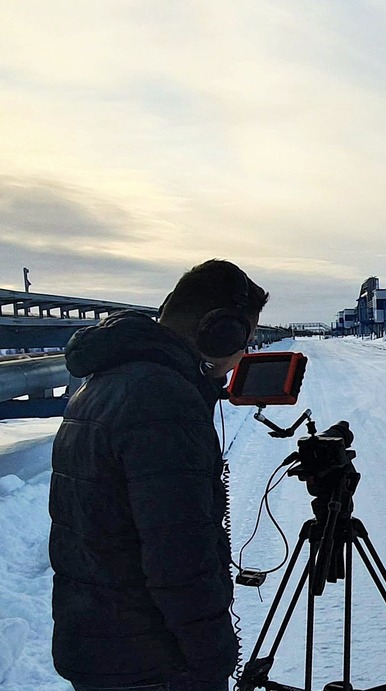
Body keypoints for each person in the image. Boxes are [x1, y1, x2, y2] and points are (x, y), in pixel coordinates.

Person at [49, 259, 269, 691]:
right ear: (219, 331)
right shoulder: (163, 400)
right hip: (152, 661)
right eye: (245, 337)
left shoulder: (105, 381)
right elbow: (179, 555)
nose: (244, 352)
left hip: (100, 645)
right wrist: (214, 657)